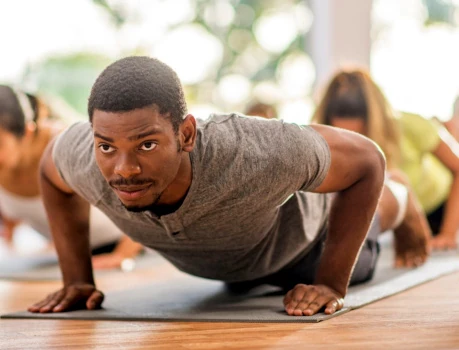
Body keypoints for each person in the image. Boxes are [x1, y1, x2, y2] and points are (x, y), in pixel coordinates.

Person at [28, 56, 429, 317]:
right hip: (234, 263)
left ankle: (402, 194)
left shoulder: (254, 151)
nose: (125, 169)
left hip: (307, 245)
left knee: (378, 209)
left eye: (147, 145)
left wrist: (329, 282)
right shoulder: (81, 154)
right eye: (107, 147)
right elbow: (49, 170)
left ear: (186, 134)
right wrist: (77, 277)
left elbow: (367, 160)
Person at [312, 69, 459, 251]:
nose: (353, 145)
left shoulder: (412, 125)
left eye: (361, 135)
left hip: (443, 209)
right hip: (399, 218)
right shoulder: (329, 145)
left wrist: (448, 234)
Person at [0, 85, 143, 269]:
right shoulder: (7, 163)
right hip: (73, 258)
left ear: (27, 132)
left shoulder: (70, 146)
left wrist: (122, 255)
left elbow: (146, 195)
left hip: (132, 250)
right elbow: (15, 212)